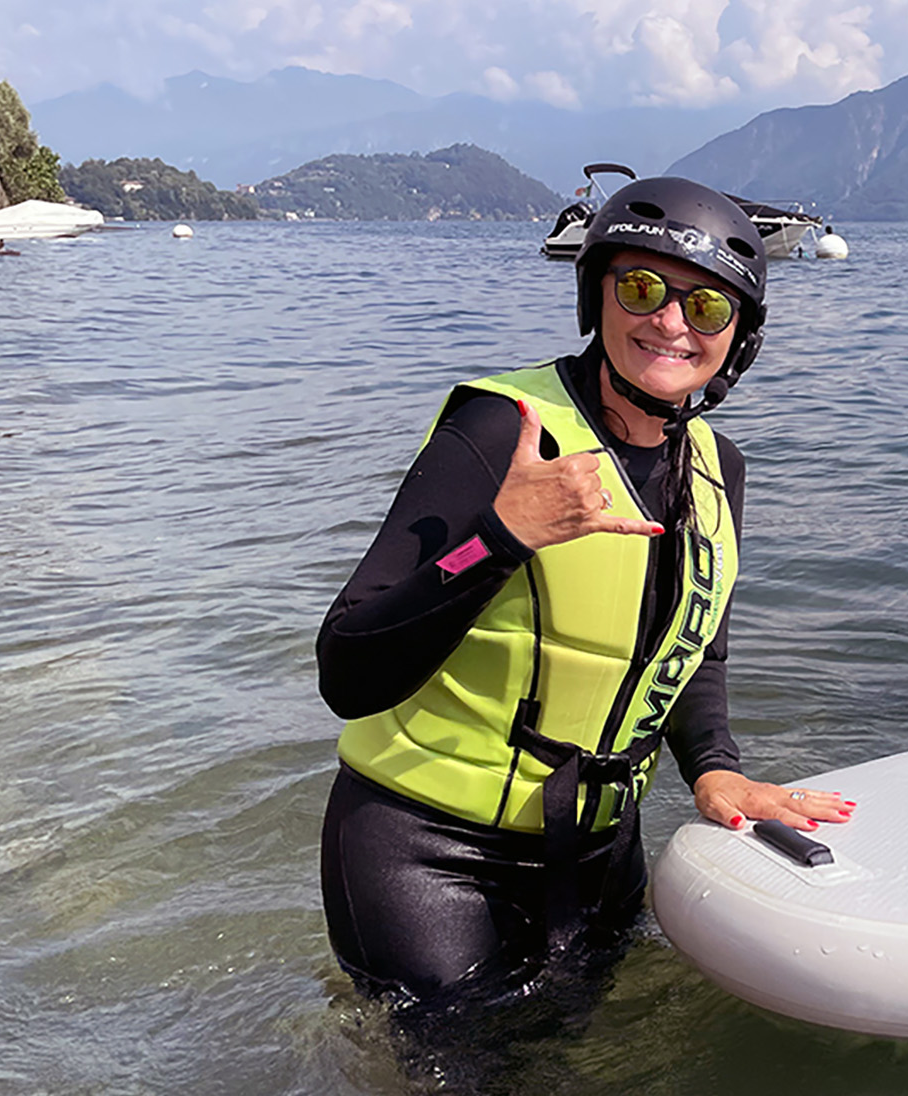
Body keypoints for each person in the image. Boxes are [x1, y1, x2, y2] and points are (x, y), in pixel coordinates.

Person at [317, 177, 853, 1005]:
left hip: (600, 851)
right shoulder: (501, 428)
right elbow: (348, 672)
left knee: (591, 1085)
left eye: (707, 308)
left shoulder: (719, 468)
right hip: (430, 849)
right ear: (594, 294)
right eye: (642, 289)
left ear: (738, 336)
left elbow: (694, 646)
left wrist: (714, 769)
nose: (671, 323)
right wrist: (501, 537)